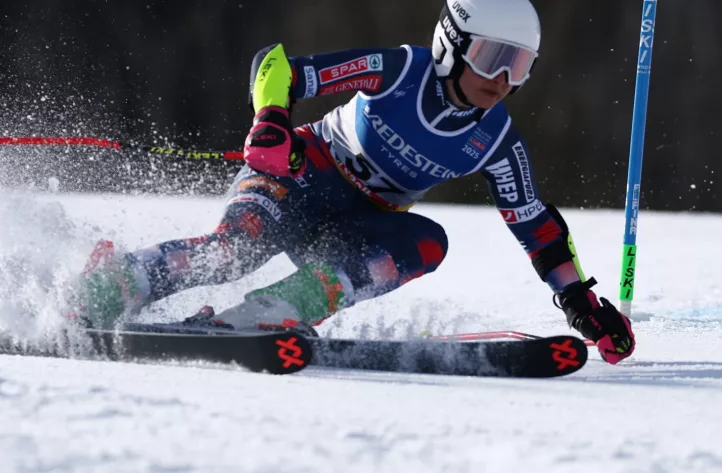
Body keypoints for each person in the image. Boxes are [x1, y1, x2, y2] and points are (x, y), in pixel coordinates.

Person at [73, 0, 636, 364]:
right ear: (452, 43)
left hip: (355, 225)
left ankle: (275, 310)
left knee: (428, 240)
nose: (502, 79)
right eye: (492, 58)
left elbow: (536, 228)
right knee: (235, 250)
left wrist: (579, 301)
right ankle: (115, 282)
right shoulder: (401, 71)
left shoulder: (496, 141)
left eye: (519, 65)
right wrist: (270, 120)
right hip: (299, 177)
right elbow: (277, 66)